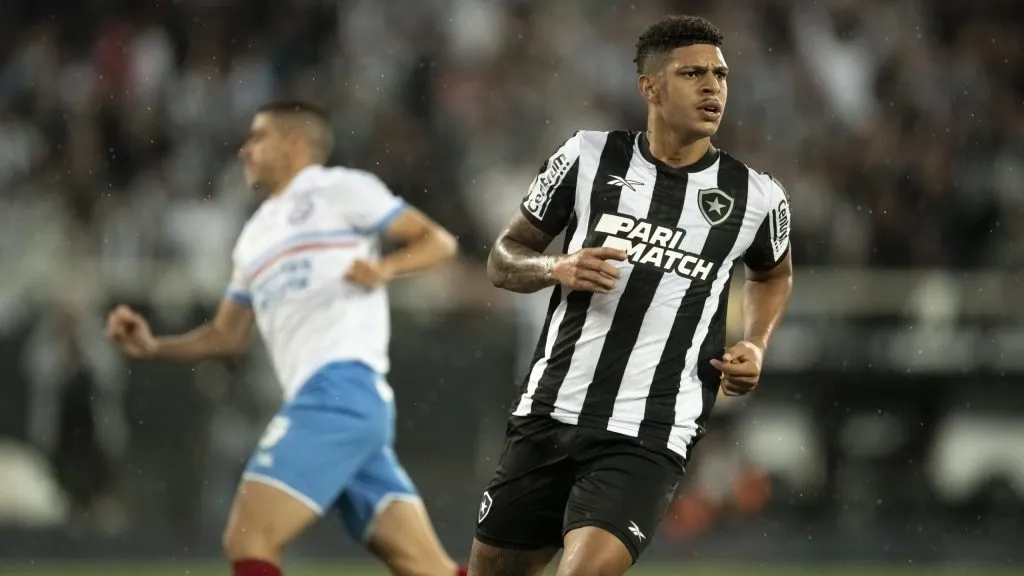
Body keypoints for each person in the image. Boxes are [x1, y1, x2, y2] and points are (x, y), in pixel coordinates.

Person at [470, 15, 794, 576]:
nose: (712, 86)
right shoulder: (588, 157)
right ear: (649, 86)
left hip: (650, 431)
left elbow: (773, 274)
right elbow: (504, 257)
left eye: (719, 74)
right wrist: (557, 265)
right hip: (548, 411)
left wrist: (757, 343)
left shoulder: (757, 196)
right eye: (692, 73)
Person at [106, 100, 467, 576]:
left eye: (258, 137)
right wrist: (154, 346)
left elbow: (438, 241)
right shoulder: (253, 235)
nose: (244, 150)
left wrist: (384, 268)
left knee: (247, 536)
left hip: (339, 389)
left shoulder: (340, 188)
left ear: (297, 143)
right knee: (430, 569)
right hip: (344, 406)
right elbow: (226, 335)